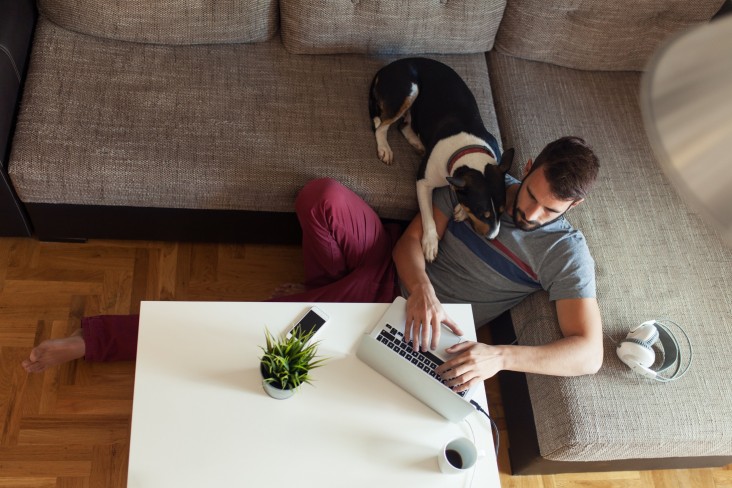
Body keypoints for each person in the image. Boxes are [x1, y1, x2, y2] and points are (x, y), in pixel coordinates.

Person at [23, 136, 603, 392]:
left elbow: (587, 352)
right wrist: (421, 284)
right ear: (527, 166)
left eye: (545, 208)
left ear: (572, 206)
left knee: (250, 335)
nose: (525, 211)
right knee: (321, 197)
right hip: (393, 270)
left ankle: (95, 340)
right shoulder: (487, 184)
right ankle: (318, 297)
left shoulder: (565, 254)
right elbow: (408, 245)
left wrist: (498, 355)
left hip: (411, 323)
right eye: (527, 193)